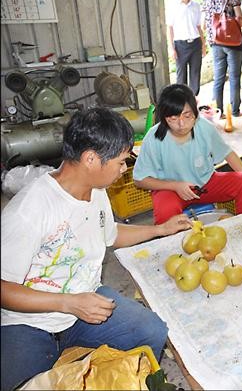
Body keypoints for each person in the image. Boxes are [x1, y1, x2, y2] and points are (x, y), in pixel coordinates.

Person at [0, 108, 192, 391]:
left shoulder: (97, 191)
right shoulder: (30, 210)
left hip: (84, 302)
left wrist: (158, 230)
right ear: (90, 159)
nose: (125, 170)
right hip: (31, 322)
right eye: (121, 162)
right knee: (20, 385)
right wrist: (68, 303)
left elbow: (110, 234)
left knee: (151, 330)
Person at [133, 84, 242, 225]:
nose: (182, 124)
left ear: (195, 113)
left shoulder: (204, 127)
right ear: (163, 117)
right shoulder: (154, 138)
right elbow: (139, 179)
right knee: (165, 214)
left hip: (206, 184)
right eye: (173, 118)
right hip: (171, 189)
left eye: (187, 116)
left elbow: (227, 153)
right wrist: (175, 186)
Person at [201, 0, 242, 117]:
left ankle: (218, 112)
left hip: (216, 43)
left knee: (218, 79)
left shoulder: (208, 0)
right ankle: (235, 111)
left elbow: (204, 25)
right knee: (234, 78)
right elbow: (240, 21)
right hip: (233, 44)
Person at [166, 0, 206, 96]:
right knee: (181, 75)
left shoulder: (196, 5)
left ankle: (193, 100)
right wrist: (171, 48)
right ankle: (181, 101)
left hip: (196, 43)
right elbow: (169, 28)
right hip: (180, 45)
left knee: (195, 74)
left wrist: (203, 44)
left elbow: (198, 27)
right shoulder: (173, 5)